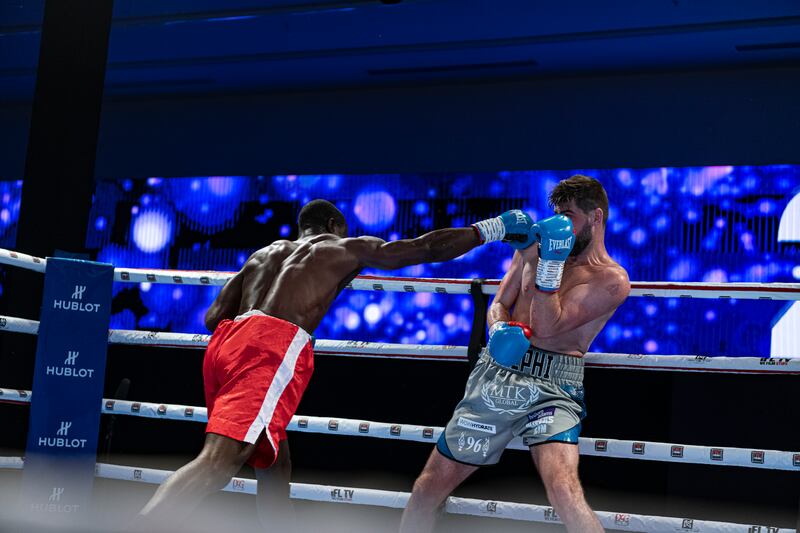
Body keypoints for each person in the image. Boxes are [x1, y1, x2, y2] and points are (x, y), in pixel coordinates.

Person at [137, 199, 534, 530]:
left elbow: (212, 318)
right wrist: (492, 228)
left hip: (227, 345)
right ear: (333, 224)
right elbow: (427, 248)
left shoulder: (263, 254)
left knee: (275, 460)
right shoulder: (343, 248)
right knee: (218, 464)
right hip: (269, 349)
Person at [400, 175, 630, 533]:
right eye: (555, 214)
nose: (559, 225)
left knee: (565, 491)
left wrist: (548, 262)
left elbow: (549, 327)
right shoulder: (530, 249)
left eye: (568, 216)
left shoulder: (610, 280)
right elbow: (499, 305)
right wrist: (497, 331)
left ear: (596, 217)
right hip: (498, 374)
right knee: (428, 487)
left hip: (555, 388)